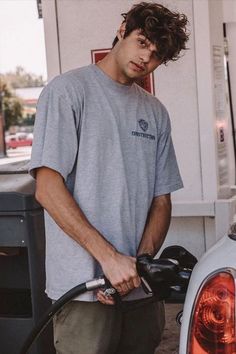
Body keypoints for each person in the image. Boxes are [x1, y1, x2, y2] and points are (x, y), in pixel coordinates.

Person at [29, 2, 189, 353]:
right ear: (122, 31)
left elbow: (161, 199)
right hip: (83, 290)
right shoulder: (67, 92)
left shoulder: (154, 112)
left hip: (138, 292)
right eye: (143, 41)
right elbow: (47, 187)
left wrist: (139, 266)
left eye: (157, 54)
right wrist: (109, 259)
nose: (146, 56)